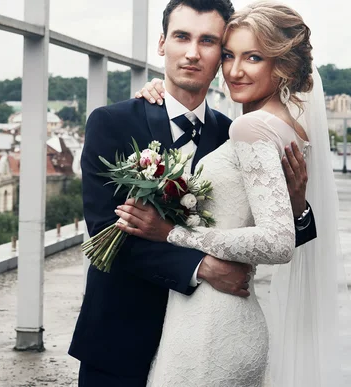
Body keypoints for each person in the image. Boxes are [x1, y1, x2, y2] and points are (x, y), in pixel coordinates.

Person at [69, 1, 316, 386]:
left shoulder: (234, 132)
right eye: (182, 37)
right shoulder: (113, 122)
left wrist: (299, 208)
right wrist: (200, 269)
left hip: (207, 338)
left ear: (221, 54)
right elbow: (107, 231)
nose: (192, 52)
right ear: (162, 43)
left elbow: (274, 231)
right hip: (121, 336)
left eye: (208, 41)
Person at [122, 1, 348, 386]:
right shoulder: (288, 128)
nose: (234, 70)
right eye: (229, 55)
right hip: (223, 320)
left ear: (283, 66)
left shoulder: (249, 129)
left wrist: (170, 233)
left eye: (253, 57)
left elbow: (279, 242)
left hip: (210, 326)